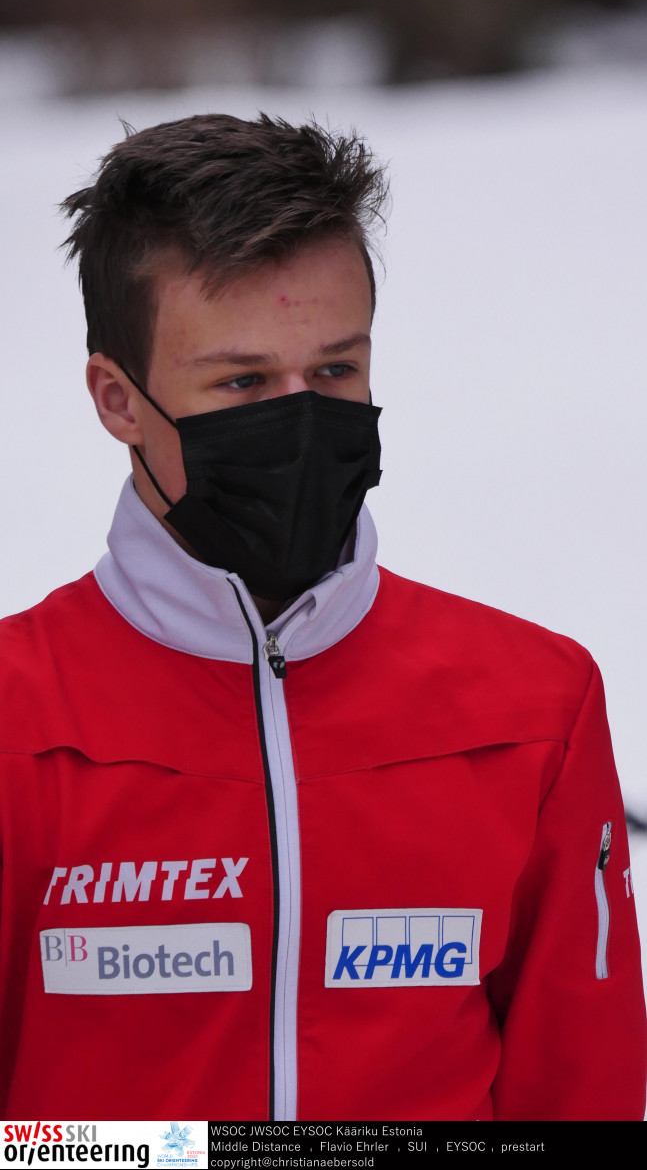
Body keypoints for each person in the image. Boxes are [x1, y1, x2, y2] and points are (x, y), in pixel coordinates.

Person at [0, 112, 644, 1123]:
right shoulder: (19, 722)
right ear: (118, 400)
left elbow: (580, 1102)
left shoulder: (533, 708)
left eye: (336, 370)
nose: (300, 416)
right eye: (244, 382)